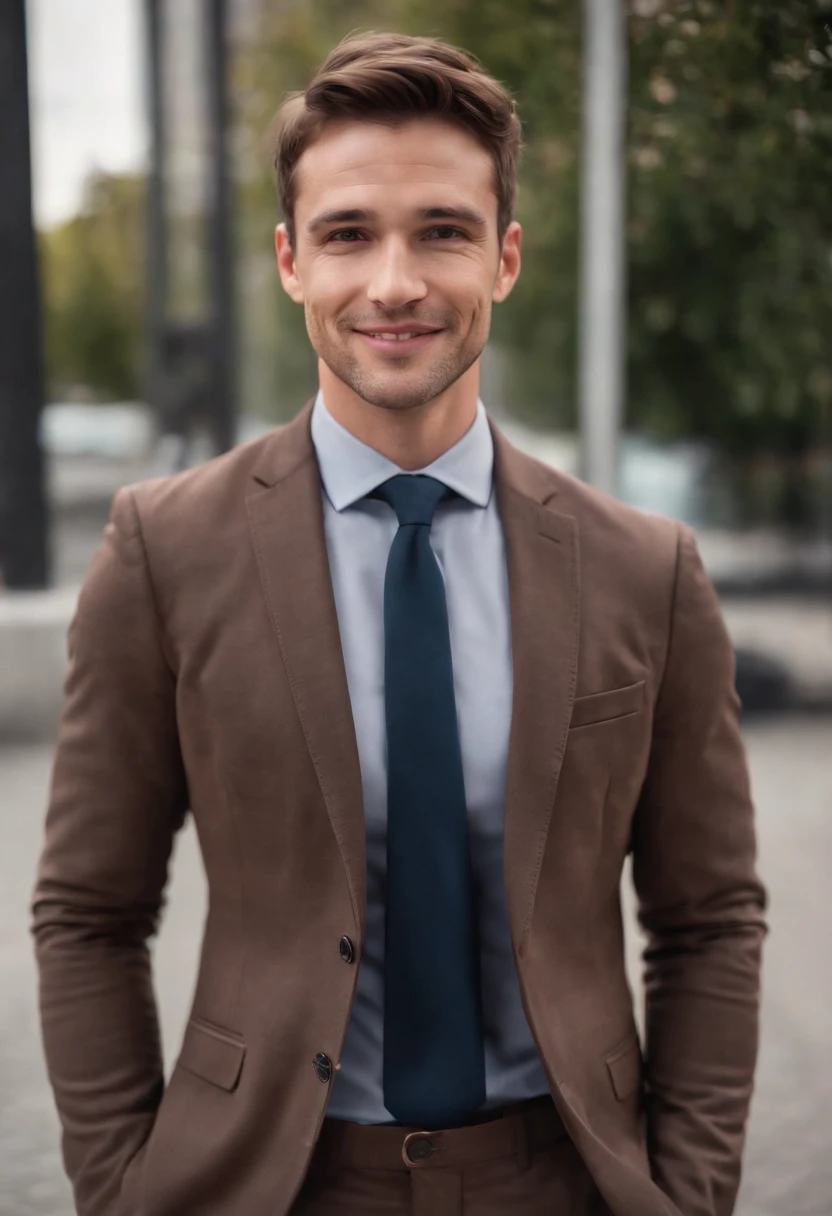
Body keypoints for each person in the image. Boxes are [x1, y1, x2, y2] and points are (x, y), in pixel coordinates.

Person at [32, 31, 767, 1216]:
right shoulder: (164, 550)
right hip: (270, 1180)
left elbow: (711, 917)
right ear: (288, 262)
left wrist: (686, 1191)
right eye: (346, 233)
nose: (393, 282)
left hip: (565, 1178)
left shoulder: (647, 570)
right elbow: (89, 910)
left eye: (441, 229)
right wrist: (121, 1188)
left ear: (506, 258)